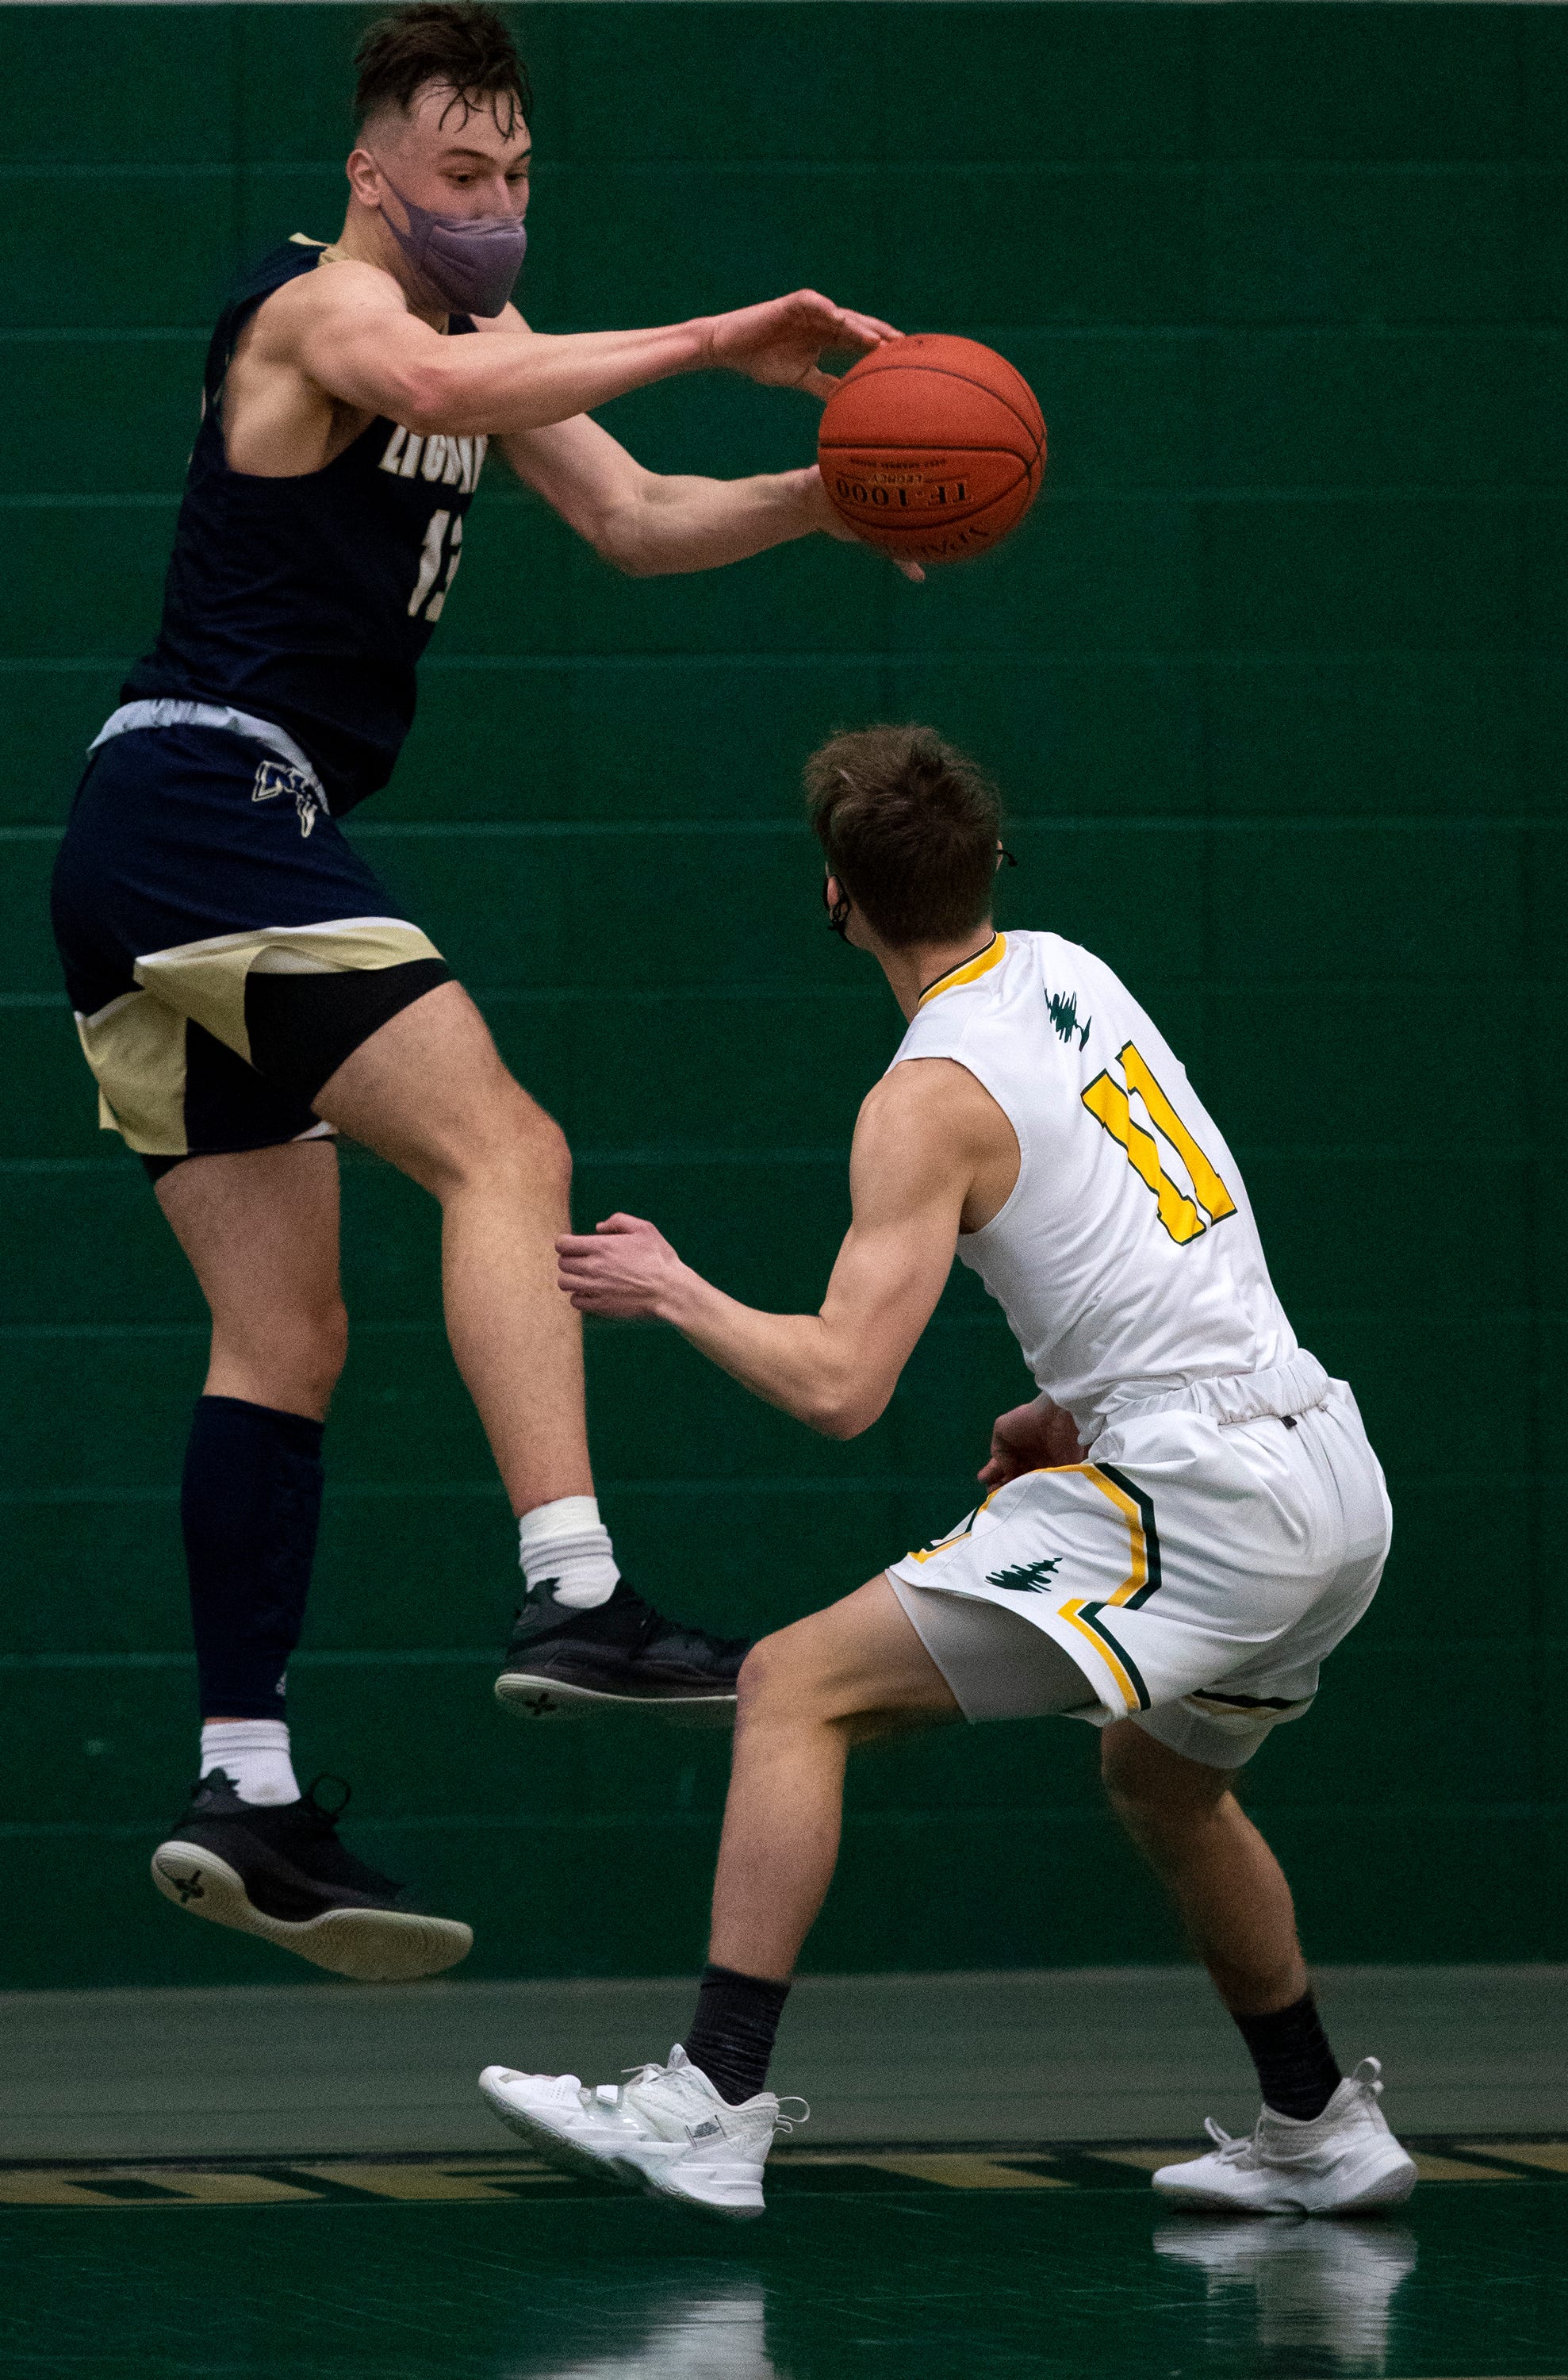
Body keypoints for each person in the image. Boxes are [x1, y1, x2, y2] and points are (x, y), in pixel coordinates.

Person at [49, 0, 908, 1982]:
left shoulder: (488, 362)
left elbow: (631, 520)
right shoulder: (315, 311)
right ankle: (572, 1589)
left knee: (288, 1334)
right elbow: (423, 366)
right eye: (461, 173)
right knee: (504, 1141)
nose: (497, 204)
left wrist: (824, 489)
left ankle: (245, 1790)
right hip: (207, 798)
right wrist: (718, 335)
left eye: (519, 175)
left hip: (167, 861)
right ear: (374, 174)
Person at [480, 723, 1419, 2221]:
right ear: (993, 867)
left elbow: (843, 1388)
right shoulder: (1066, 968)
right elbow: (1145, 1244)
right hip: (1326, 1468)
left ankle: (709, 2105)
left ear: (836, 899)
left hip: (1208, 1499)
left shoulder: (920, 1101)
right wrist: (1068, 1414)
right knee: (1164, 1782)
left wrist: (675, 1288)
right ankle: (1317, 2123)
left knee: (797, 1685)